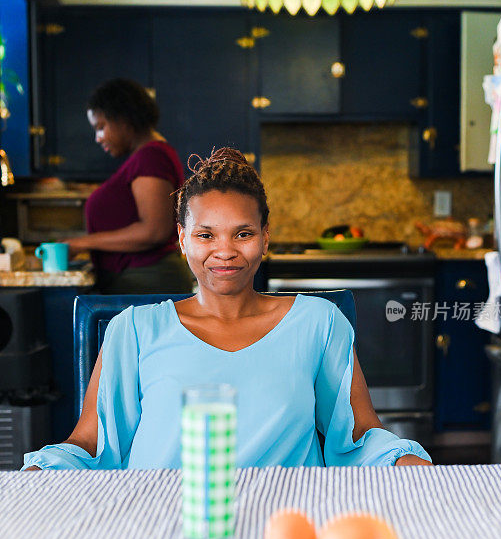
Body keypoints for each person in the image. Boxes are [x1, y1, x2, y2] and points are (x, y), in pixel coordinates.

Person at [23, 148, 431, 471]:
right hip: (155, 524)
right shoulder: (133, 330)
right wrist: (43, 470)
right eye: (205, 234)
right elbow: (90, 445)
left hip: (286, 525)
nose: (225, 251)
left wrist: (404, 460)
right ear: (182, 239)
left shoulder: (318, 324)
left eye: (243, 233)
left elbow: (359, 434)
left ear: (265, 238)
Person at [64, 78, 193, 294]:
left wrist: (82, 243)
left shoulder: (151, 157)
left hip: (148, 281)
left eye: (101, 127)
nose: (97, 138)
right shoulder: (147, 157)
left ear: (123, 119)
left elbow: (154, 231)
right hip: (141, 280)